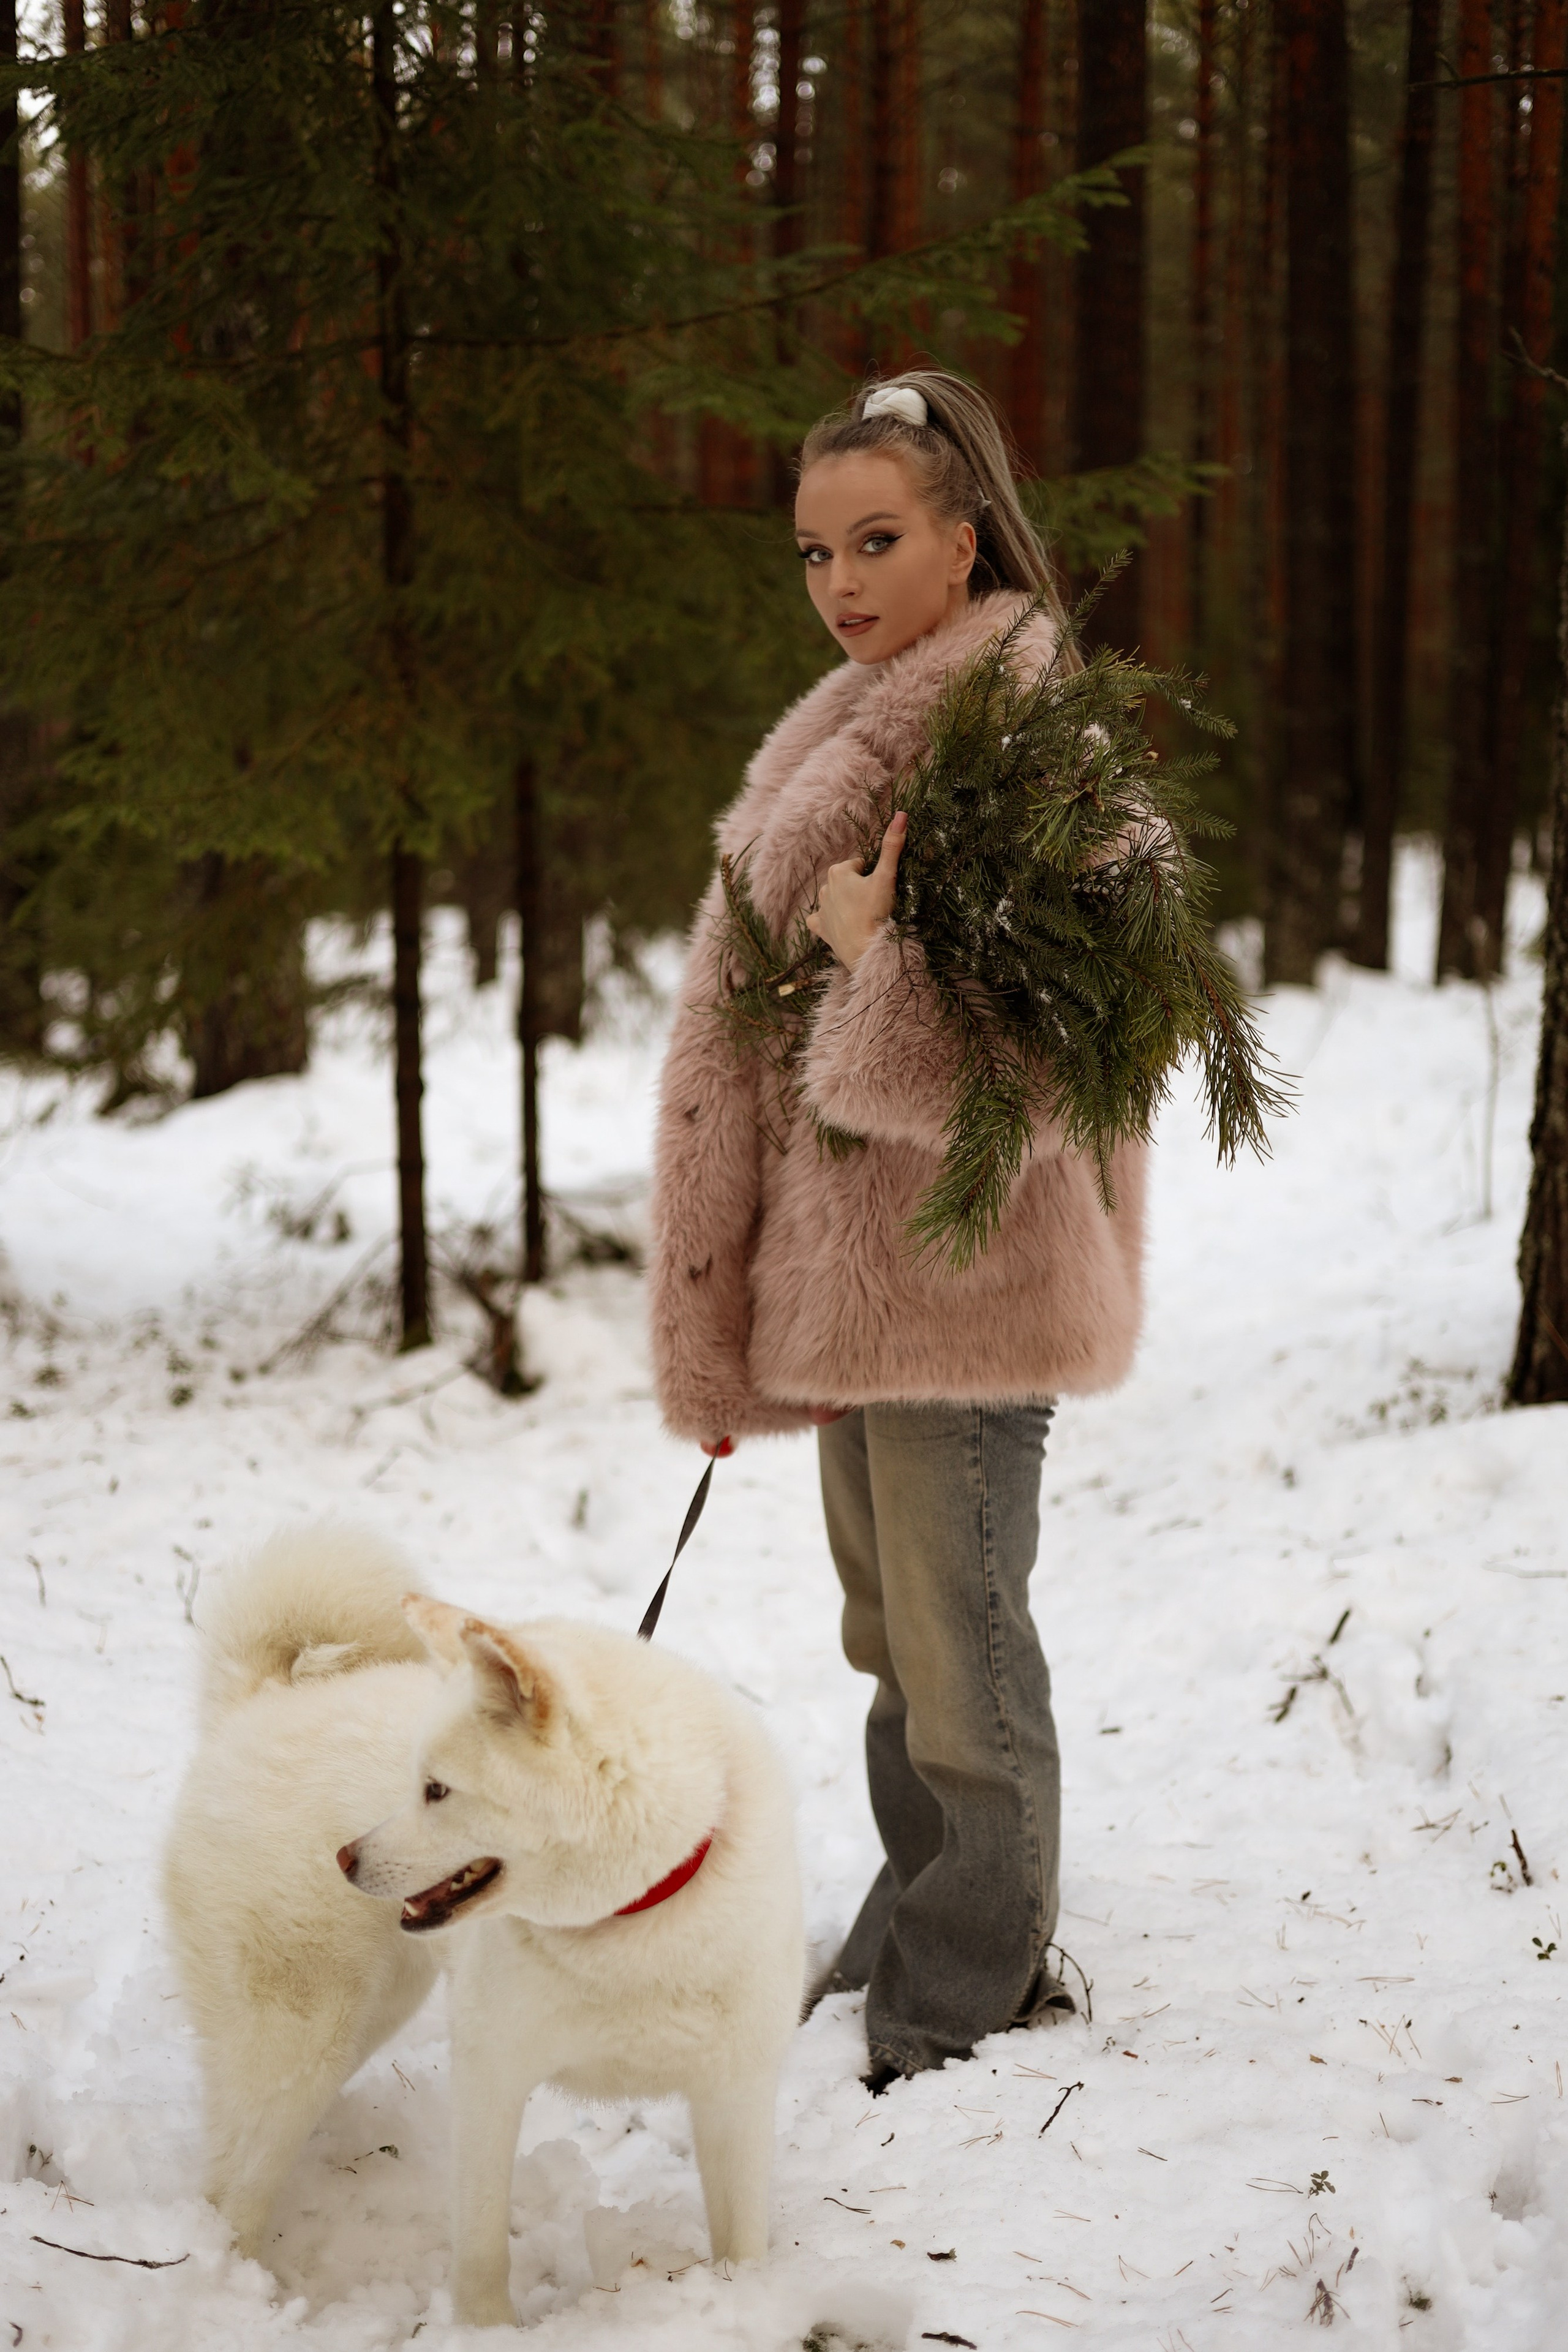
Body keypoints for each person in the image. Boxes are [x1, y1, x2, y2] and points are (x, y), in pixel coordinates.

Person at [647, 370, 1147, 2091]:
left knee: (963, 1638)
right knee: (890, 1636)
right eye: (811, 552)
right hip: (867, 1285)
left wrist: (883, 972)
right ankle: (923, 1896)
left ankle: (974, 1982)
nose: (840, 581)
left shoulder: (1035, 739)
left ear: (965, 540)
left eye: (876, 541)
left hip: (978, 1282)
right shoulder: (854, 722)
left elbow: (1096, 1045)